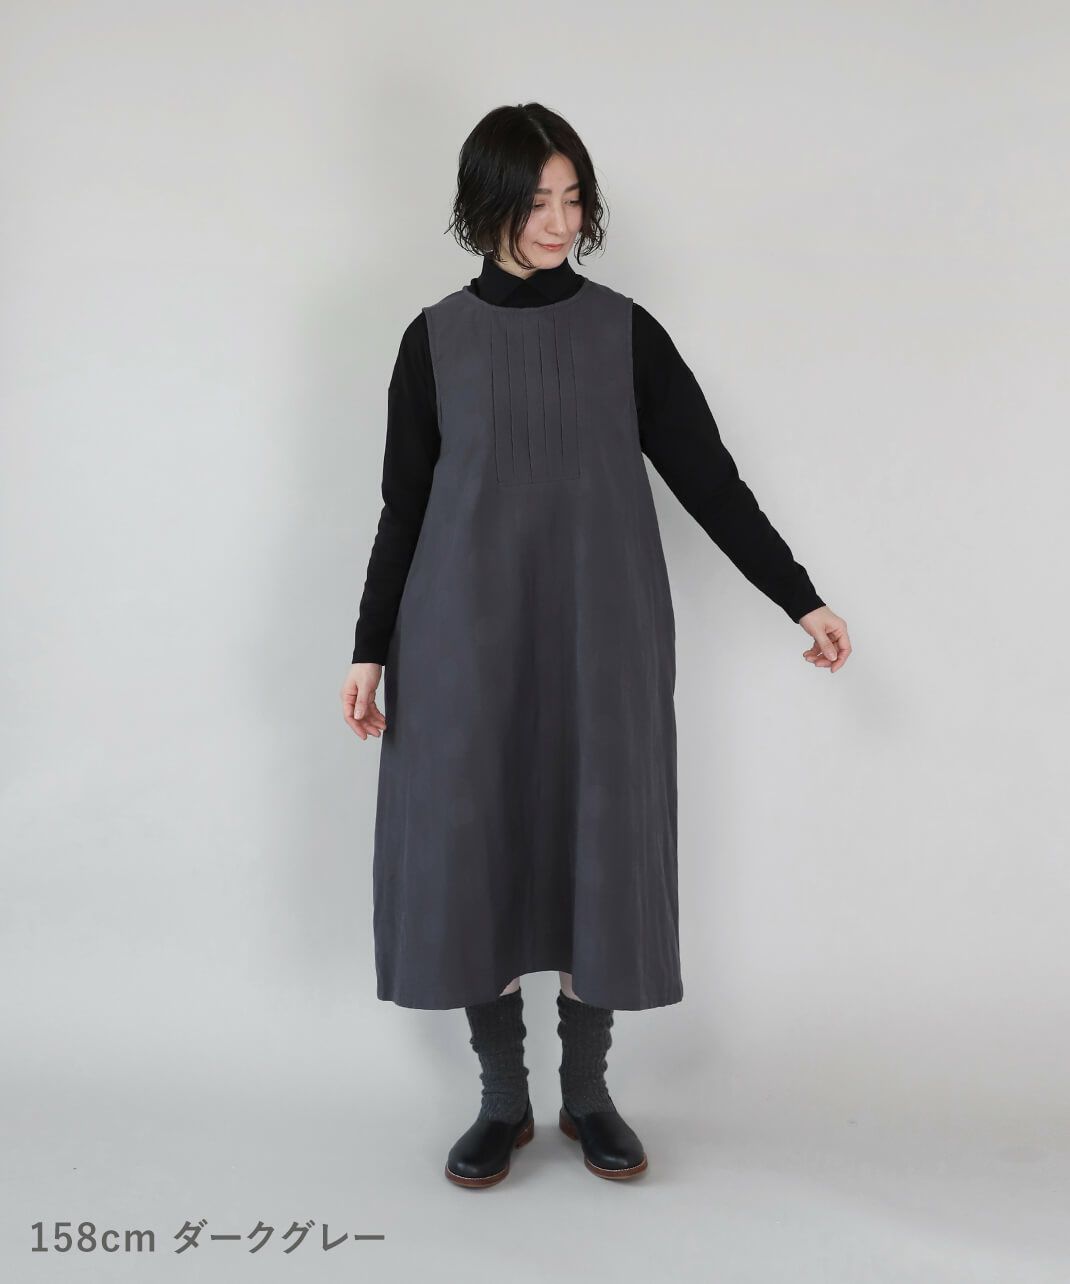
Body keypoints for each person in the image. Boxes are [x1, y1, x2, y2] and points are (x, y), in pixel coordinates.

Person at [340, 102, 852, 1189]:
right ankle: (501, 1101)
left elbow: (708, 477)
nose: (558, 222)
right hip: (459, 639)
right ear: (486, 203)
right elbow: (404, 506)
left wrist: (798, 598)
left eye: (573, 199)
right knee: (473, 850)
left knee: (600, 847)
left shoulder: (625, 332)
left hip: (602, 635)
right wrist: (368, 648)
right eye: (536, 201)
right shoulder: (433, 339)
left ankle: (586, 1095)